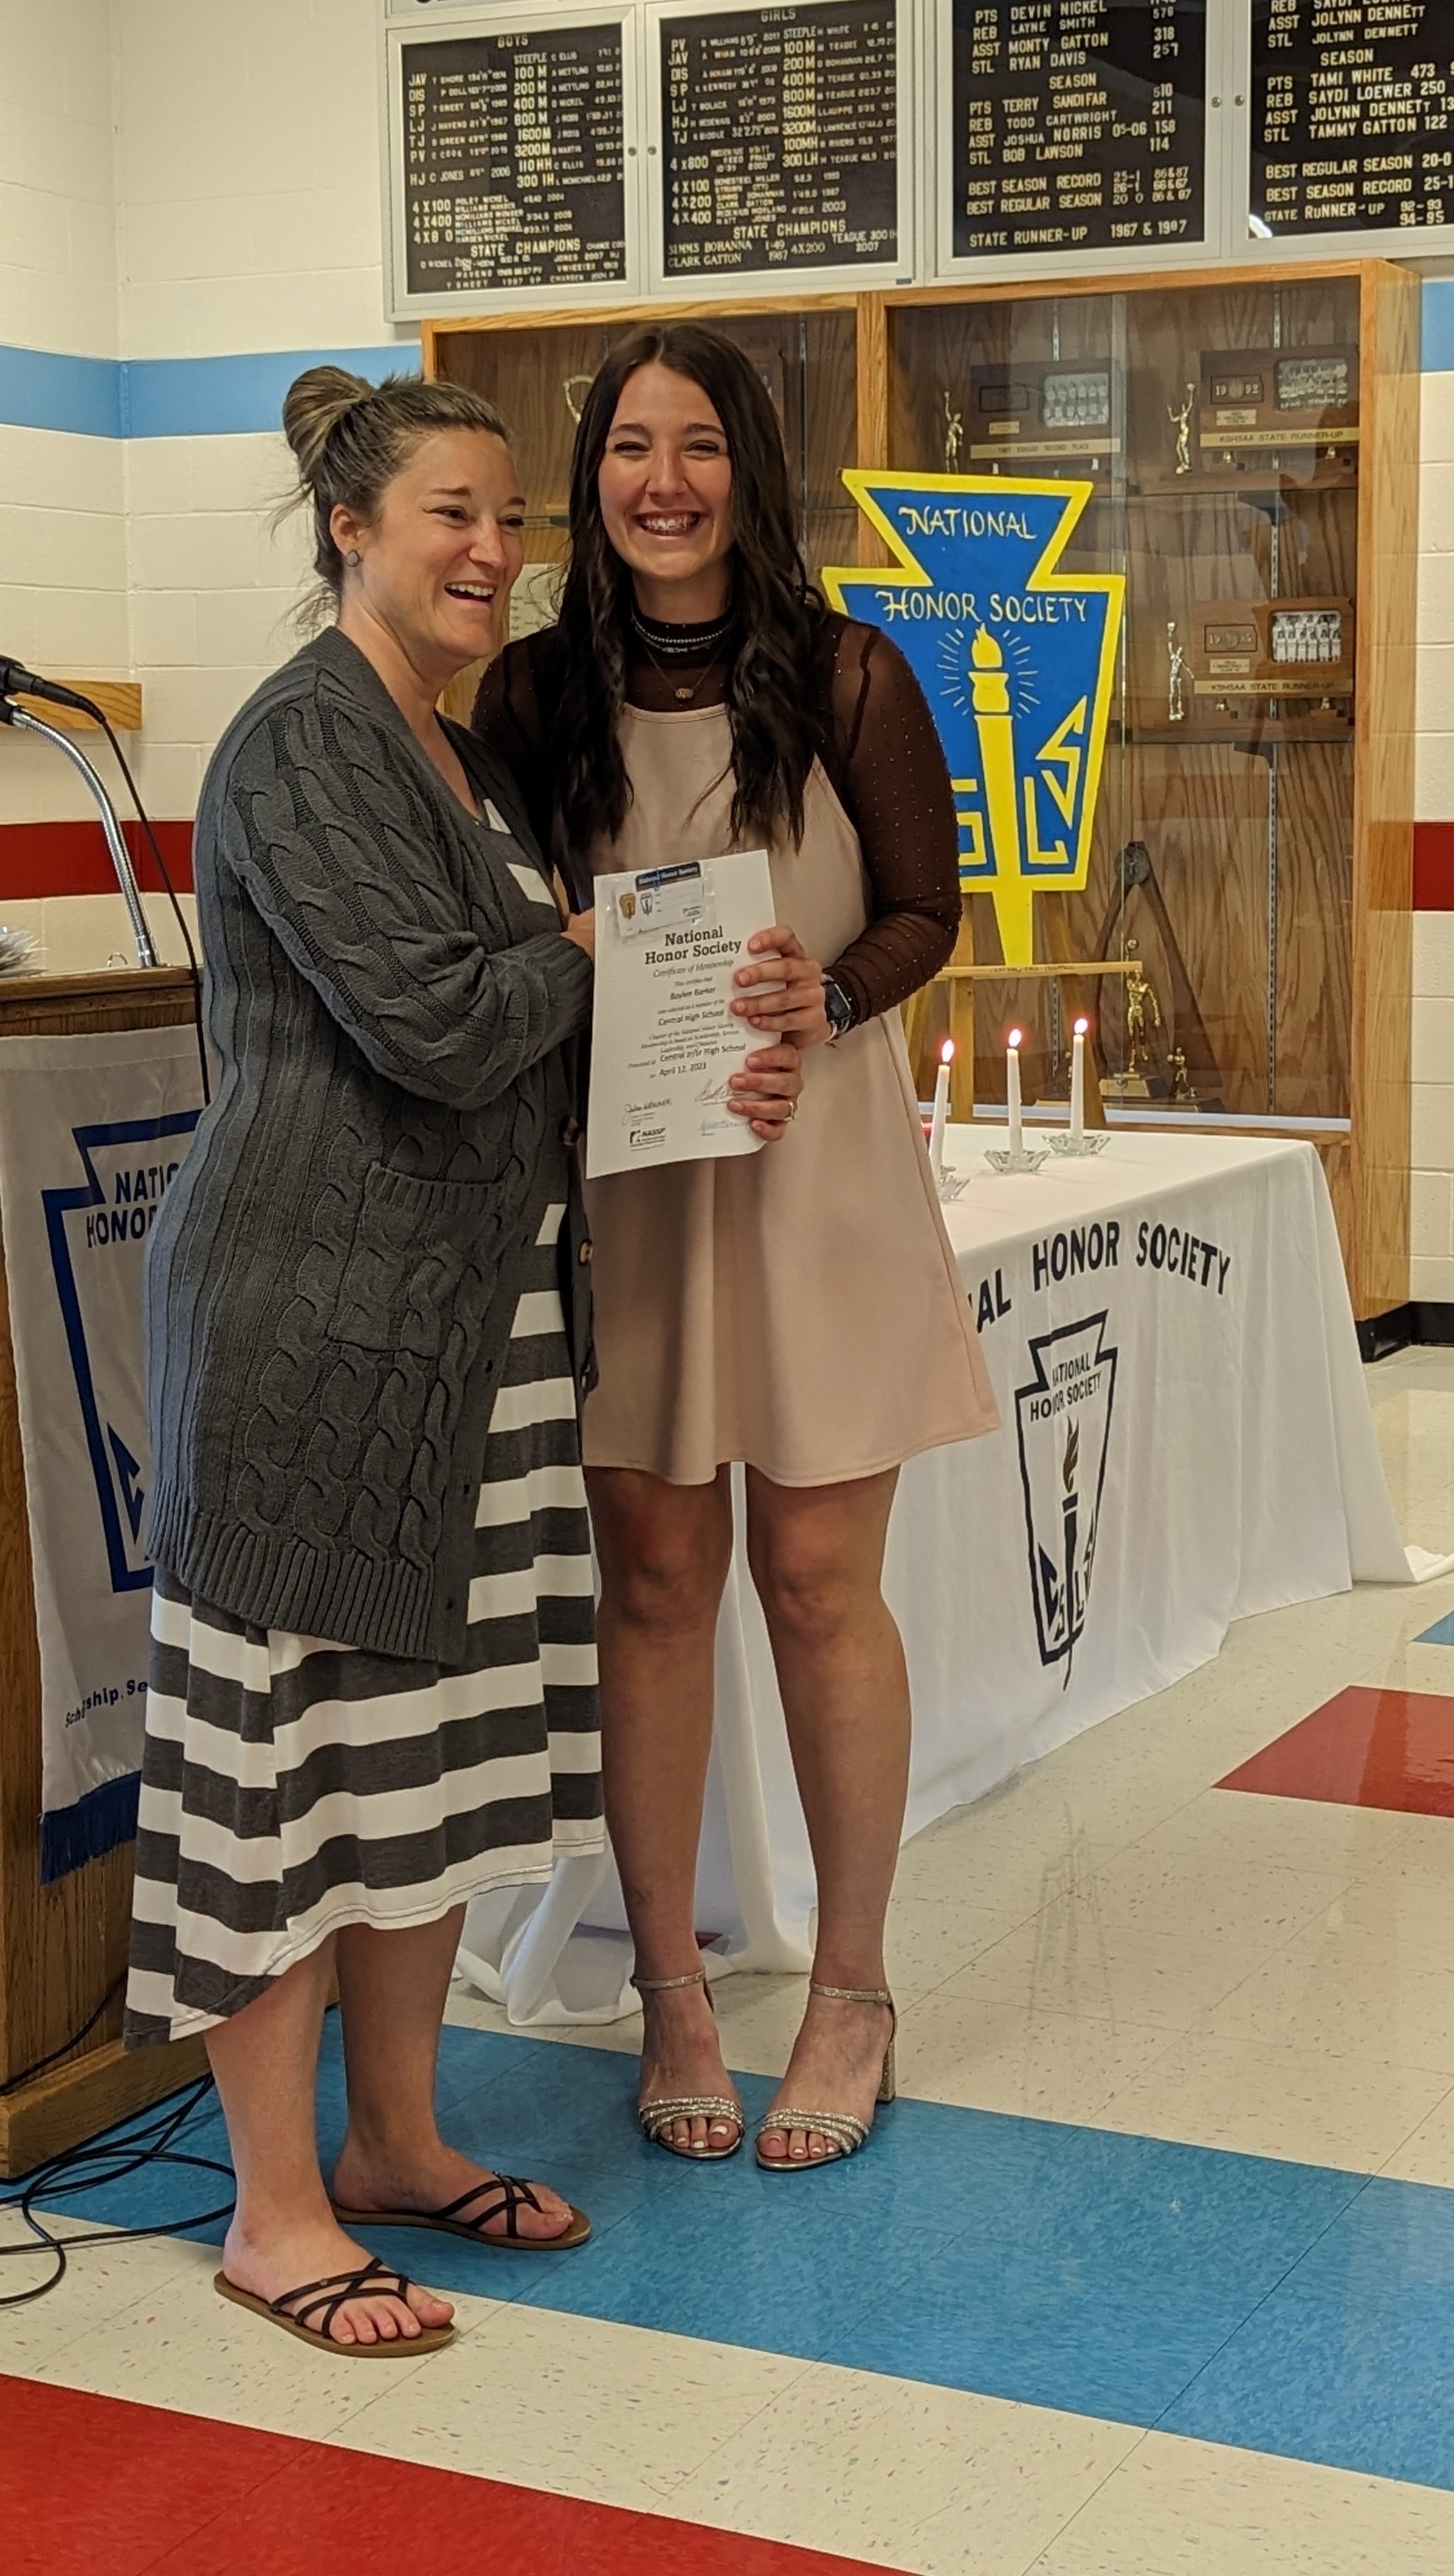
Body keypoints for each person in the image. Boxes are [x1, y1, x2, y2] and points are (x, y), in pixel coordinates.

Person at [125, 364, 802, 2352]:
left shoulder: (462, 757)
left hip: (468, 1348)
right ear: (349, 529)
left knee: (416, 1775)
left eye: (513, 519)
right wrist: (601, 954)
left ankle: (398, 2141)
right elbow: (435, 1024)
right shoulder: (301, 745)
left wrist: (722, 1021)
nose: (497, 552)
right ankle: (272, 2214)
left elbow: (545, 1032)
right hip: (311, 1346)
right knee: (285, 1783)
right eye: (452, 515)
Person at [474, 322, 999, 2173]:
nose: (664, 482)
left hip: (812, 1166)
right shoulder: (532, 694)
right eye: (631, 446)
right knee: (653, 1585)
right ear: (592, 477)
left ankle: (852, 1988)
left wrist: (823, 997)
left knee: (818, 1584)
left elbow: (929, 904)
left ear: (747, 471)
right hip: (631, 1187)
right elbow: (500, 928)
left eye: (698, 445)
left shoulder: (851, 673)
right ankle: (673, 1999)